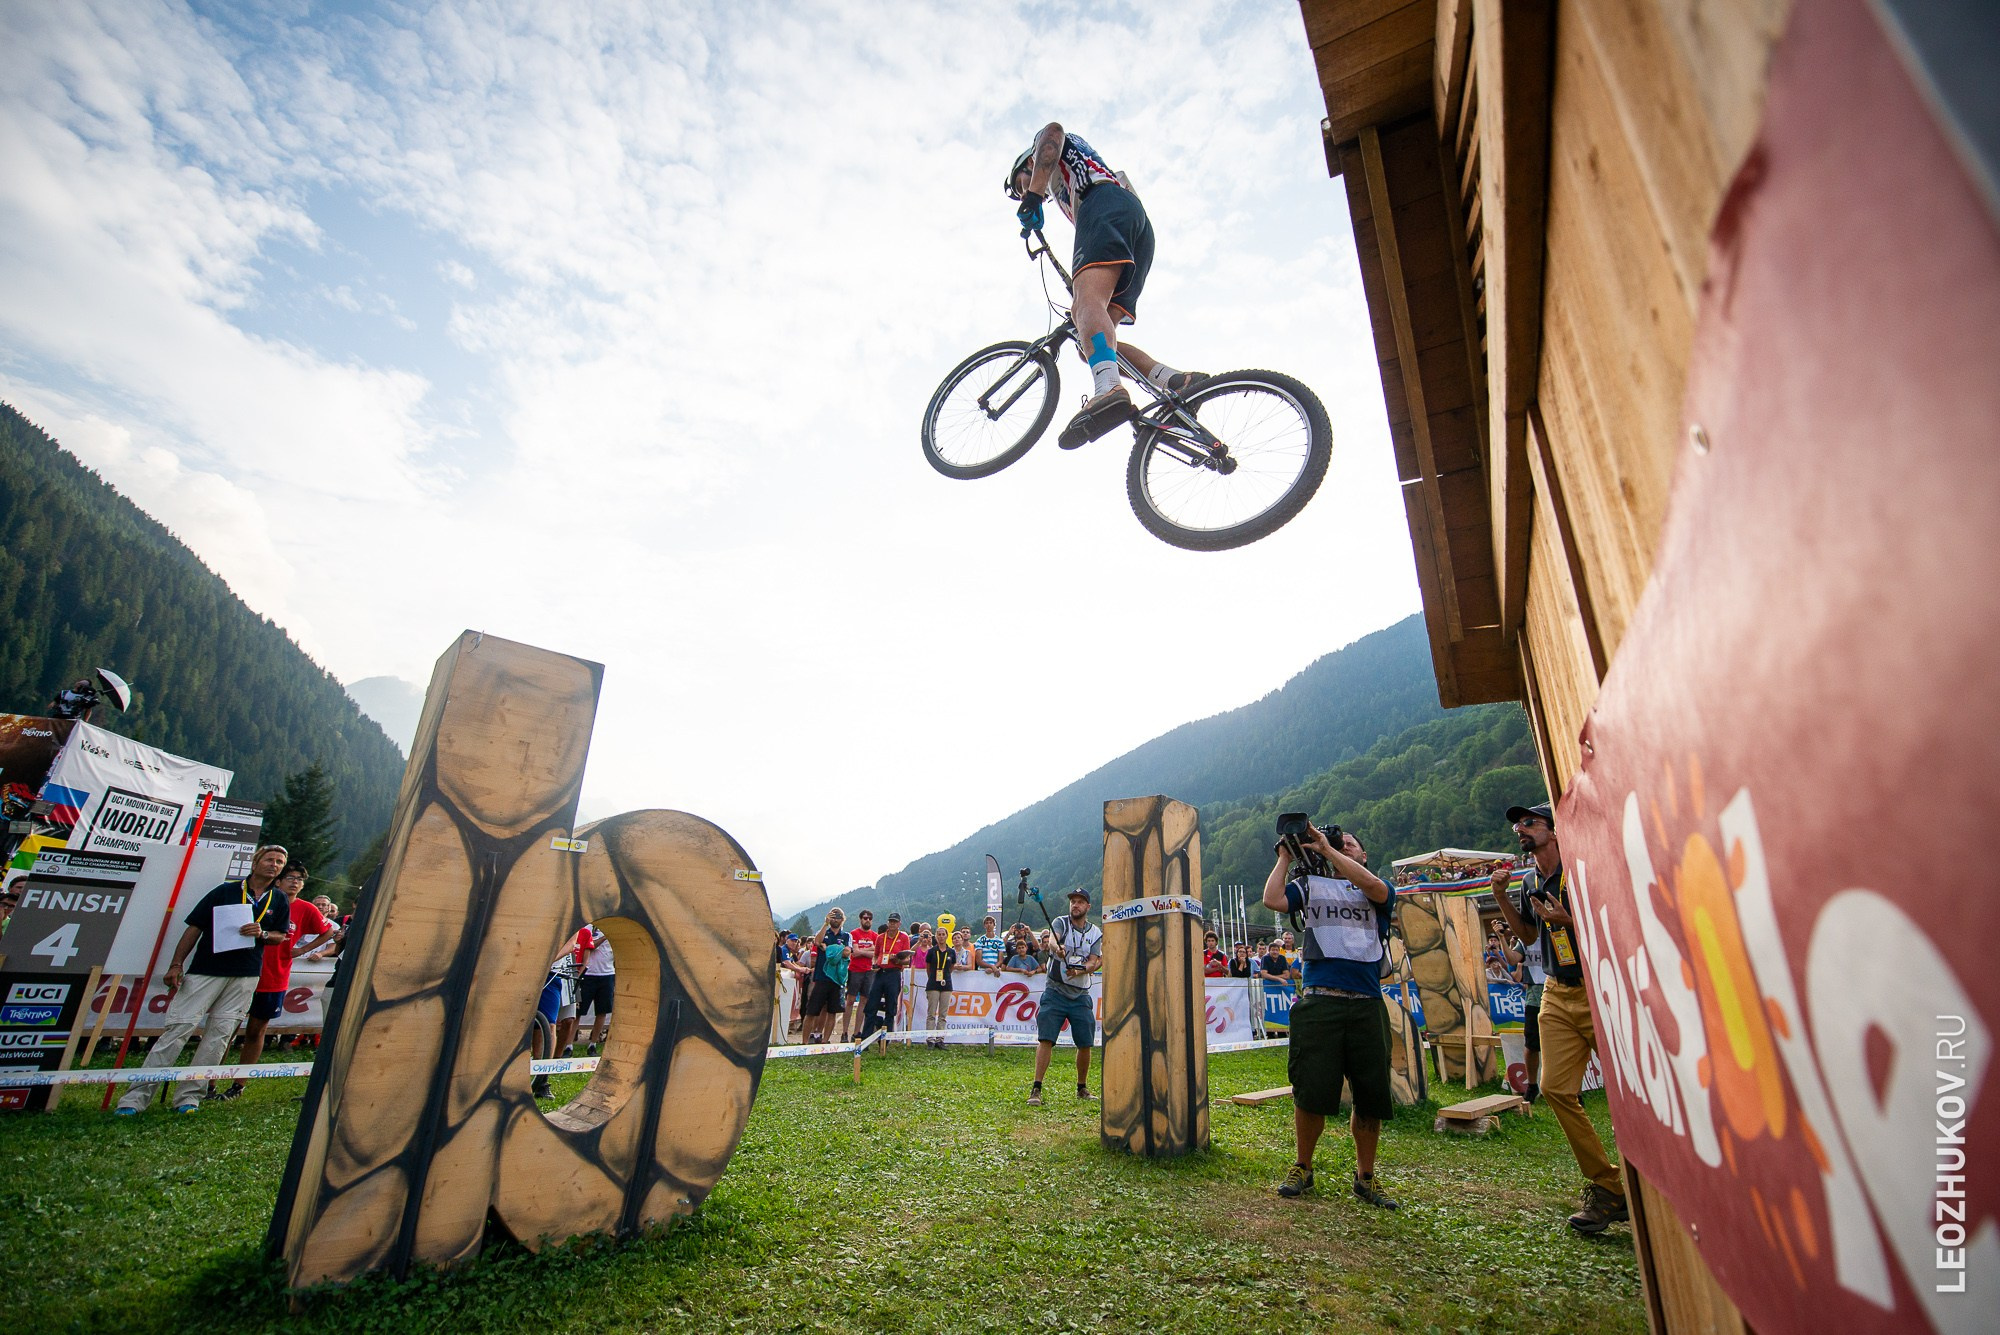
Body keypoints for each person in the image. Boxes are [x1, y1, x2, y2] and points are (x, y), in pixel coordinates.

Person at [1004, 124, 1204, 449]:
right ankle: (1177, 382)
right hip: (1136, 227)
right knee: (1092, 343)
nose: (1022, 190)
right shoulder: (1069, 187)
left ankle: (1109, 389)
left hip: (1107, 205)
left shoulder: (1053, 149)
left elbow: (1052, 133)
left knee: (1085, 305)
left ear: (1028, 162)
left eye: (1020, 183)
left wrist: (1032, 195)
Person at [1489, 800, 1628, 1234]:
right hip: (1555, 992)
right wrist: (1500, 898)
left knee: (1632, 1089)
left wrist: (1572, 920)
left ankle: (1659, 1182)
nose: (1521, 830)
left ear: (1554, 829)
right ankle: (1607, 1187)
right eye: (1518, 826)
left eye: (1529, 822)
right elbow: (1529, 935)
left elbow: (1618, 924)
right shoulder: (1532, 878)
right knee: (1552, 1088)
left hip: (1599, 989)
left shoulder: (1583, 869)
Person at [1263, 821, 1399, 1208]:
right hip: (1320, 998)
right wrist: (1287, 857)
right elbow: (1273, 899)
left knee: (1370, 1095)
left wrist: (1327, 849)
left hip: (1365, 1000)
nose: (1344, 845)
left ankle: (1366, 1177)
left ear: (1363, 855)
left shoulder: (1379, 887)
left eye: (1351, 844)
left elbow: (1374, 889)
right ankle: (1303, 1167)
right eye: (1341, 843)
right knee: (1310, 1089)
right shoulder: (1311, 885)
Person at [116, 844, 294, 1115]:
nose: (275, 865)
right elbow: (194, 927)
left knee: (220, 1036)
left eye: (280, 862)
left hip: (245, 974)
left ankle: (190, 1097)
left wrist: (263, 934)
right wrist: (176, 964)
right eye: (270, 859)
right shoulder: (225, 891)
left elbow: (280, 935)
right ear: (256, 862)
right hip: (206, 970)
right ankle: (135, 1098)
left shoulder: (279, 900)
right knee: (178, 1029)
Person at [212, 862, 341, 1100]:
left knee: (255, 1031)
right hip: (242, 970)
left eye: (300, 879)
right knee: (224, 1029)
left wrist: (301, 951)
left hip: (274, 976)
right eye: (290, 877)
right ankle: (209, 1081)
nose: (295, 881)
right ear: (278, 881)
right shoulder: (262, 900)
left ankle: (238, 1085)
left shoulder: (306, 909)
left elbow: (329, 932)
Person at [1028, 888, 1102, 1106]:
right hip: (1055, 991)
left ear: (1088, 906)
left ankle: (1082, 1087)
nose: (1075, 905)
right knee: (1046, 1039)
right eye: (1073, 901)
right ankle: (1036, 1088)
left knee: (1085, 1043)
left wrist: (1080, 971)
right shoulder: (1061, 922)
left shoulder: (1095, 932)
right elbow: (1053, 939)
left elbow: (1095, 960)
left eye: (1080, 902)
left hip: (1080, 994)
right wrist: (1056, 949)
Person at [801, 909, 849, 1044]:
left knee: (832, 1012)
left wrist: (827, 948)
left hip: (837, 979)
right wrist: (825, 924)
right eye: (833, 916)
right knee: (811, 1011)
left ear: (842, 919)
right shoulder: (824, 933)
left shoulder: (846, 936)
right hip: (821, 977)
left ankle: (825, 1041)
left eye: (838, 917)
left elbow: (847, 952)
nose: (835, 919)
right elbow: (817, 942)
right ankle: (804, 1042)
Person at [861, 912, 910, 1040]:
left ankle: (885, 1040)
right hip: (880, 973)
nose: (892, 924)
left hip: (894, 973)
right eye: (890, 921)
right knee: (871, 1005)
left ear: (899, 924)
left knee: (891, 1006)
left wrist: (898, 960)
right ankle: (866, 1038)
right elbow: (876, 955)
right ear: (888, 923)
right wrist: (874, 964)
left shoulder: (904, 938)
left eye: (895, 922)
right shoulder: (880, 937)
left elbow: (908, 959)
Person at [840, 909, 879, 1042]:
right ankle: (844, 1032)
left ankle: (857, 1032)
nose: (867, 920)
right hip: (855, 970)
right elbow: (854, 953)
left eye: (869, 918)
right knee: (850, 1001)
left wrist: (862, 951)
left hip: (869, 971)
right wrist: (869, 950)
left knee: (863, 1001)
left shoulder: (875, 936)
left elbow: (875, 954)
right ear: (860, 919)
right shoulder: (854, 934)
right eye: (864, 918)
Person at [577, 922, 615, 1054]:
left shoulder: (613, 927)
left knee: (602, 1011)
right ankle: (568, 1045)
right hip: (588, 973)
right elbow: (589, 946)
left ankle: (593, 1043)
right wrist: (605, 937)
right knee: (579, 1011)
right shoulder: (587, 928)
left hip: (607, 974)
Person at [921, 926, 954, 1047]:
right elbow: (928, 968)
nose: (941, 936)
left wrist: (944, 976)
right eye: (939, 934)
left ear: (946, 936)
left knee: (943, 1014)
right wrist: (933, 977)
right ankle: (930, 1039)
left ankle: (940, 1039)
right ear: (936, 936)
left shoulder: (951, 952)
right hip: (933, 984)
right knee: (931, 1013)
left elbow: (951, 967)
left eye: (943, 934)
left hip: (946, 984)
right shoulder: (931, 951)